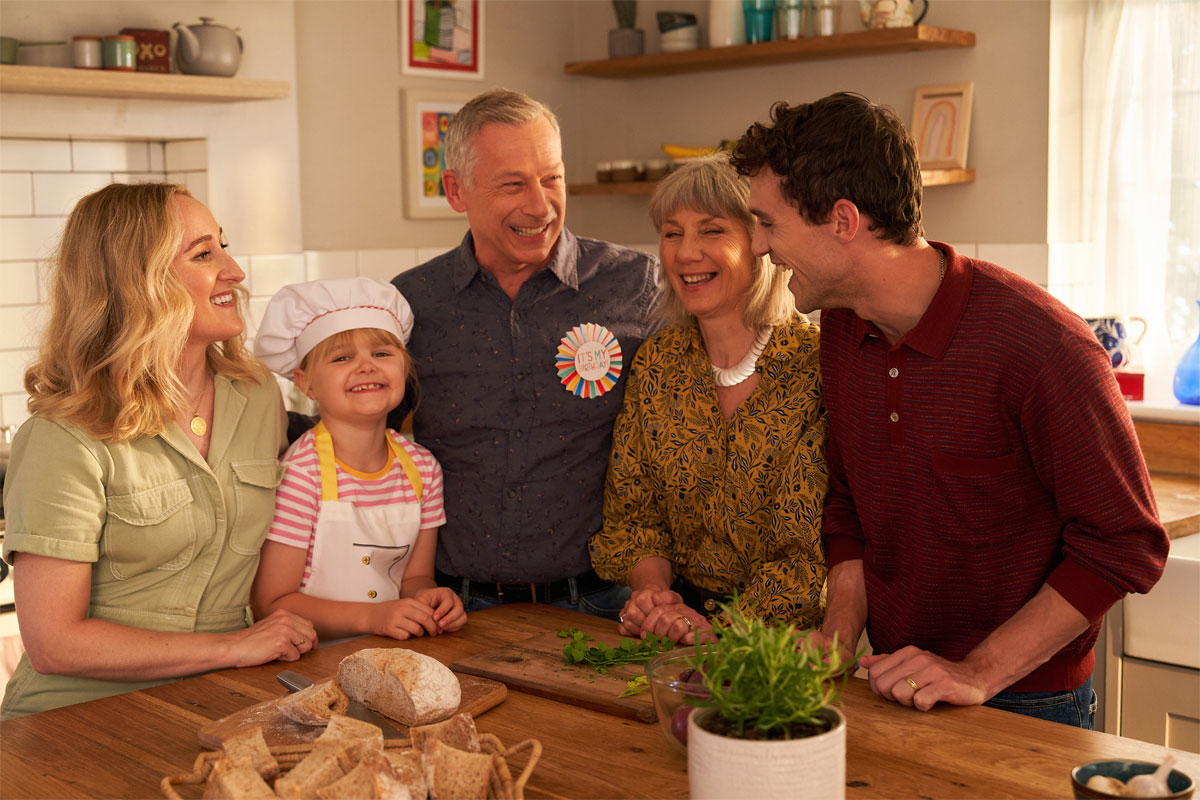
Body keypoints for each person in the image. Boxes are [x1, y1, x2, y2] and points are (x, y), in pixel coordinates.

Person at [730, 92, 1169, 728]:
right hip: (893, 680)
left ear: (843, 220)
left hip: (1029, 703)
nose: (760, 246)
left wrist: (978, 672)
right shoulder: (841, 330)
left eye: (769, 223)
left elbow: (1126, 544)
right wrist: (838, 634)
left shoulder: (1043, 348)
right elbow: (849, 498)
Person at [0, 183, 316, 719]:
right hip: (78, 718)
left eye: (223, 245)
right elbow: (55, 642)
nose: (234, 270)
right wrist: (233, 647)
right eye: (203, 254)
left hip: (222, 699)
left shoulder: (258, 395)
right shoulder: (65, 434)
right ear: (136, 282)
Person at [388, 88, 662, 617]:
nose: (540, 206)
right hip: (456, 608)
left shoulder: (635, 285)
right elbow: (359, 434)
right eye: (513, 184)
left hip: (607, 604)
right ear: (456, 190)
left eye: (552, 178)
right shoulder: (411, 302)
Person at [589, 154, 828, 645]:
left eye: (712, 231)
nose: (685, 253)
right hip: (678, 636)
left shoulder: (816, 367)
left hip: (786, 649)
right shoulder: (658, 363)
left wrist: (718, 633)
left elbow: (809, 554)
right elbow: (634, 517)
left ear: (761, 243)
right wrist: (654, 597)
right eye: (672, 233)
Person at [251, 278, 466, 641]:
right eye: (342, 358)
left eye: (382, 354)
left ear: (405, 368)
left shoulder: (423, 469)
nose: (366, 366)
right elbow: (271, 604)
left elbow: (413, 579)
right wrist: (372, 618)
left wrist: (429, 598)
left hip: (390, 655)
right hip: (311, 659)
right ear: (307, 384)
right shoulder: (302, 473)